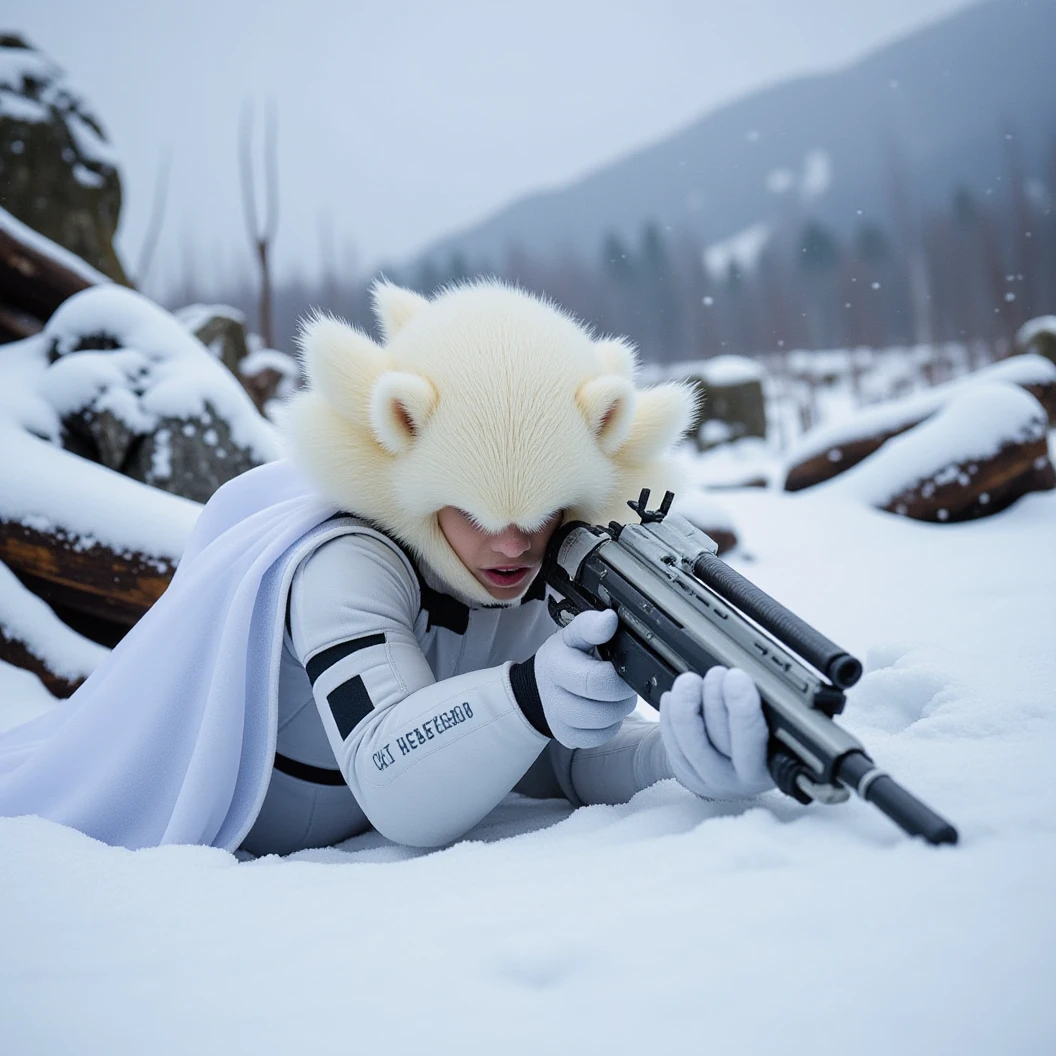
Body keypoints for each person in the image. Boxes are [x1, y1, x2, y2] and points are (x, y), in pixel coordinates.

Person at [0, 279, 774, 853]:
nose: (512, 546)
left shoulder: (556, 553)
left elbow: (566, 761)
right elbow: (394, 782)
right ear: (403, 434)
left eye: (539, 512)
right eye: (475, 511)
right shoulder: (345, 562)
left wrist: (679, 752)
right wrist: (533, 694)